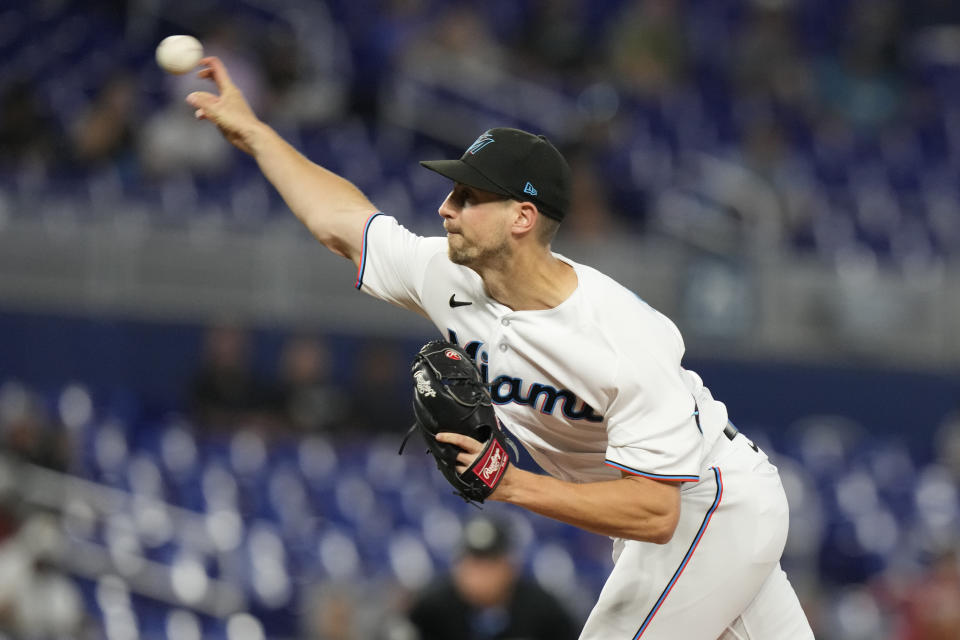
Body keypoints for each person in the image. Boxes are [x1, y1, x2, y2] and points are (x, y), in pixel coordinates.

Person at [186, 56, 814, 639]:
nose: (445, 207)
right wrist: (257, 135)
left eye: (467, 197)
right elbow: (345, 225)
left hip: (708, 505)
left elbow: (657, 512)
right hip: (675, 519)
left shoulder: (621, 335)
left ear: (522, 217)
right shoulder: (448, 275)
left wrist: (508, 484)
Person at [407, 515, 578, 640]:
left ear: (510, 566)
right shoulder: (431, 608)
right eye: (473, 563)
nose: (480, 575)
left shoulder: (542, 609)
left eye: (490, 563)